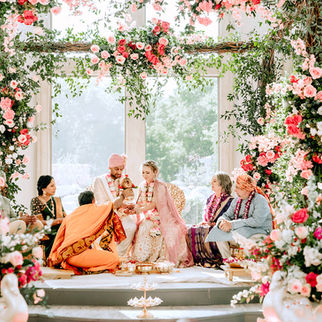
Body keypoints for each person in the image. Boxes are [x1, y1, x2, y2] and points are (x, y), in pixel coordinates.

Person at [131, 160, 193, 267]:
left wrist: (141, 210)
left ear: (155, 172)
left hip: (161, 215)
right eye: (143, 172)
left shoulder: (160, 186)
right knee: (142, 226)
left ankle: (154, 257)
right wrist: (135, 208)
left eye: (147, 172)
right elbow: (140, 201)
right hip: (147, 214)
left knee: (149, 227)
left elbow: (155, 204)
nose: (144, 175)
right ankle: (141, 257)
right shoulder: (142, 185)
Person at [47, 190, 126, 274]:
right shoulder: (93, 209)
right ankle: (87, 270)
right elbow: (114, 205)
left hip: (66, 256)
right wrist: (123, 195)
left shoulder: (70, 215)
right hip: (79, 256)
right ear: (93, 201)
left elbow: (59, 238)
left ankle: (82, 267)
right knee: (114, 259)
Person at [206, 174, 273, 258]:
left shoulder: (260, 200)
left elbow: (256, 221)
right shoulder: (237, 200)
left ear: (246, 188)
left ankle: (248, 266)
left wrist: (232, 224)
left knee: (248, 242)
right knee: (219, 233)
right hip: (241, 232)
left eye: (238, 187)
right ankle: (229, 263)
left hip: (259, 233)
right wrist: (222, 223)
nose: (235, 190)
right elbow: (226, 215)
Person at [92, 153, 138, 257]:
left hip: (120, 214)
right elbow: (102, 205)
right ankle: (107, 257)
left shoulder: (122, 180)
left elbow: (128, 199)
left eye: (121, 169)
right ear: (109, 167)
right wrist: (122, 196)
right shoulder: (100, 180)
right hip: (105, 215)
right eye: (116, 169)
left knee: (131, 226)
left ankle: (118, 256)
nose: (119, 172)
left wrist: (128, 206)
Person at [186, 172, 234, 267]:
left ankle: (214, 259)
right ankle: (201, 259)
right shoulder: (210, 198)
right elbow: (207, 217)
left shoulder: (230, 201)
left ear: (222, 183)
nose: (211, 183)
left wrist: (214, 224)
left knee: (208, 231)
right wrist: (205, 222)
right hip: (210, 225)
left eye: (215, 181)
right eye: (212, 181)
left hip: (220, 227)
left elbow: (229, 219)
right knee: (191, 229)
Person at [30, 175, 66, 259]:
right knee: (59, 234)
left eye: (55, 185)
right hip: (46, 230)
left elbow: (65, 216)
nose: (55, 188)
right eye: (52, 186)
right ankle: (53, 258)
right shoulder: (35, 201)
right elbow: (38, 222)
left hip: (59, 227)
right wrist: (57, 221)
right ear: (43, 188)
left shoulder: (57, 200)